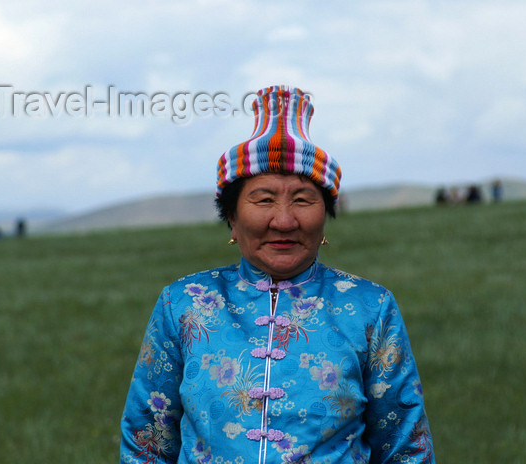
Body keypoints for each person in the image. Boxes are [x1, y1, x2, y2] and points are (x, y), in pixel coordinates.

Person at [120, 85, 435, 463]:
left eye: (303, 199)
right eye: (264, 198)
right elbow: (147, 442)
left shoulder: (370, 308)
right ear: (232, 218)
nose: (284, 220)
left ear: (325, 217)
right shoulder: (183, 304)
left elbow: (406, 447)